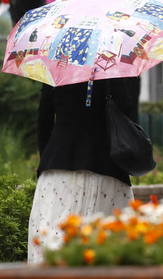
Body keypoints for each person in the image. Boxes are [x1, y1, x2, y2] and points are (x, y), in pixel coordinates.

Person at [28, 77, 139, 263]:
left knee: (52, 240)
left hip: (58, 169)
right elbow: (127, 112)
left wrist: (48, 158)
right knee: (109, 244)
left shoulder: (58, 66)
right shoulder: (111, 65)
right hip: (106, 167)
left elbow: (44, 121)